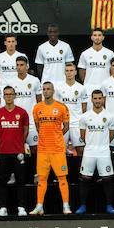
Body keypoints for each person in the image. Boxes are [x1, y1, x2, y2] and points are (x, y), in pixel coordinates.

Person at [31, 82, 71, 215]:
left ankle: (66, 206)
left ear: (53, 91)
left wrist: (57, 135)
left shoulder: (61, 107)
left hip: (58, 149)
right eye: (44, 89)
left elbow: (66, 126)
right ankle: (39, 206)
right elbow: (38, 127)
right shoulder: (37, 108)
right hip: (42, 150)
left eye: (48, 89)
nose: (46, 91)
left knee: (62, 178)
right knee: (41, 179)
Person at [77, 89, 114, 215]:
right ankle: (83, 206)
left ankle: (109, 205)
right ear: (91, 99)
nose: (98, 101)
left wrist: (102, 144)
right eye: (95, 98)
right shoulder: (84, 117)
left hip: (104, 152)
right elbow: (83, 136)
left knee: (106, 178)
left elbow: (111, 135)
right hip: (89, 151)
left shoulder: (109, 116)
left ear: (103, 99)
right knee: (85, 178)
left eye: (100, 98)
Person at [0, 86, 29, 217]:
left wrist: (19, 142)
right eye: (6, 94)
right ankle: (3, 207)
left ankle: (21, 207)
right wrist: (3, 140)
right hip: (3, 151)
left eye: (10, 94)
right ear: (3, 96)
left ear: (15, 96)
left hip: (18, 151)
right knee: (1, 181)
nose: (8, 96)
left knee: (20, 180)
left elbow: (25, 130)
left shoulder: (22, 112)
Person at [54, 63, 88, 154]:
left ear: (75, 72)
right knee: (60, 150)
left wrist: (81, 120)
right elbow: (56, 106)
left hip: (76, 123)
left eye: (71, 70)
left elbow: (84, 107)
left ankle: (80, 168)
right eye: (67, 71)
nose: (69, 73)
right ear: (64, 72)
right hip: (62, 123)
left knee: (80, 150)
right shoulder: (58, 88)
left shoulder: (81, 88)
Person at [12, 56, 43, 149]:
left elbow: (39, 101)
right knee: (16, 148)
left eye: (22, 65)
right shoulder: (11, 82)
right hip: (16, 120)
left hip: (32, 120)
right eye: (17, 65)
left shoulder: (35, 80)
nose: (19, 67)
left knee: (34, 148)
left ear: (27, 66)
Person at [78, 28, 114, 92]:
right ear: (91, 37)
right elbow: (81, 71)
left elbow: (112, 70)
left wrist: (110, 83)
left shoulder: (110, 53)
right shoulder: (85, 53)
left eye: (99, 35)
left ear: (103, 37)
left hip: (105, 87)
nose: (97, 37)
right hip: (89, 88)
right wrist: (87, 83)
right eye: (95, 35)